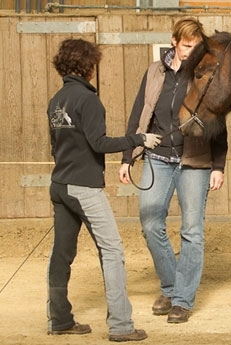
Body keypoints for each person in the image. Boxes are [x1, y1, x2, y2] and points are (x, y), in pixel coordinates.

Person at [46, 38, 158, 342]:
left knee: (62, 253)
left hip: (60, 186)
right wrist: (138, 139)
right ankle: (122, 326)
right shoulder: (89, 100)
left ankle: (59, 319)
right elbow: (100, 143)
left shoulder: (56, 100)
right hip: (83, 187)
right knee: (112, 251)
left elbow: (56, 147)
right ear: (88, 65)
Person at [118, 17, 228, 324]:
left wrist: (218, 165)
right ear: (174, 42)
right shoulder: (156, 71)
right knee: (150, 222)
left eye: (195, 47)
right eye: (185, 45)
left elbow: (217, 122)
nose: (189, 52)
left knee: (192, 231)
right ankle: (170, 286)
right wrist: (128, 155)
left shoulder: (205, 72)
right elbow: (139, 112)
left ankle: (181, 300)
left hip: (195, 162)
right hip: (157, 157)